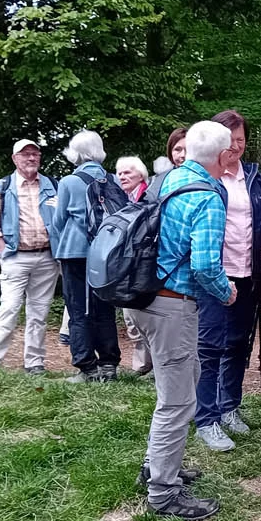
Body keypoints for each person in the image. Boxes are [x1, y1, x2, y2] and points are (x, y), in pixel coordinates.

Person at [129, 121, 237, 520]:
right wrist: (227, 291)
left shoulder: (166, 180)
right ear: (224, 156)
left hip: (140, 296)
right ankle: (163, 493)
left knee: (184, 377)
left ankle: (157, 467)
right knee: (177, 401)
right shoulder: (207, 197)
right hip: (171, 304)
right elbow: (207, 264)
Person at [193, 110, 261, 451]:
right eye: (230, 139)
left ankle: (229, 408)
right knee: (210, 347)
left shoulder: (253, 177)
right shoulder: (206, 177)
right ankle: (205, 418)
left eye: (241, 139)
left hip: (247, 273)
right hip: (212, 275)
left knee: (239, 344)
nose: (236, 146)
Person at [0, 139, 60, 375]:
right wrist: (5, 255)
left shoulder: (52, 185)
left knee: (39, 313)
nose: (31, 158)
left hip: (47, 258)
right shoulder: (1, 187)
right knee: (10, 308)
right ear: (15, 159)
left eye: (35, 154)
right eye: (25, 154)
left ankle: (34, 363)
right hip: (16, 257)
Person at [51, 130, 124, 382]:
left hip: (76, 253)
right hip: (106, 254)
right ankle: (109, 366)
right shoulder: (112, 180)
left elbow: (58, 221)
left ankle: (87, 368)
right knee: (104, 307)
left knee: (78, 309)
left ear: (77, 153)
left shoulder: (69, 182)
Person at [111, 157, 154, 376]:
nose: (122, 176)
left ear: (141, 175)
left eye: (128, 172)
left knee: (141, 315)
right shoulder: (124, 199)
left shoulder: (148, 197)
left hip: (141, 267)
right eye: (119, 173)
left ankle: (147, 365)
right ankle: (141, 366)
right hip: (127, 267)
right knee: (130, 316)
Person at [147, 127, 187, 200]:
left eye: (188, 149)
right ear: (170, 152)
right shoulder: (158, 182)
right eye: (178, 149)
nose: (183, 155)